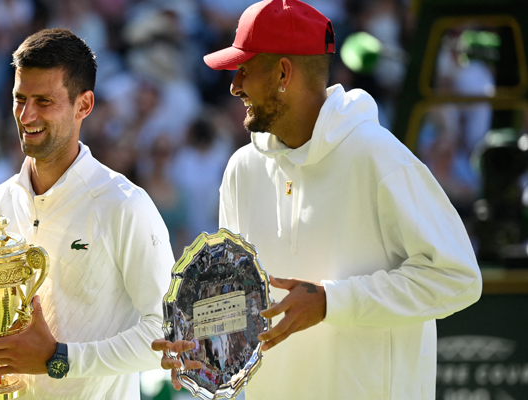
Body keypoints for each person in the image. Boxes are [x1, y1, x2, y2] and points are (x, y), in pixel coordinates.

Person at [153, 1, 482, 399]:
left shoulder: (379, 157)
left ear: (283, 73)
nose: (233, 86)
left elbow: (458, 278)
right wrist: (198, 349)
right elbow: (238, 303)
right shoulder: (242, 168)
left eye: (244, 70)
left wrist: (332, 301)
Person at [0, 28, 175, 399]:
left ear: (84, 105)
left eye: (44, 101)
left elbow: (169, 332)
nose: (26, 115)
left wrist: (59, 358)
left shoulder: (125, 204)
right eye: (19, 98)